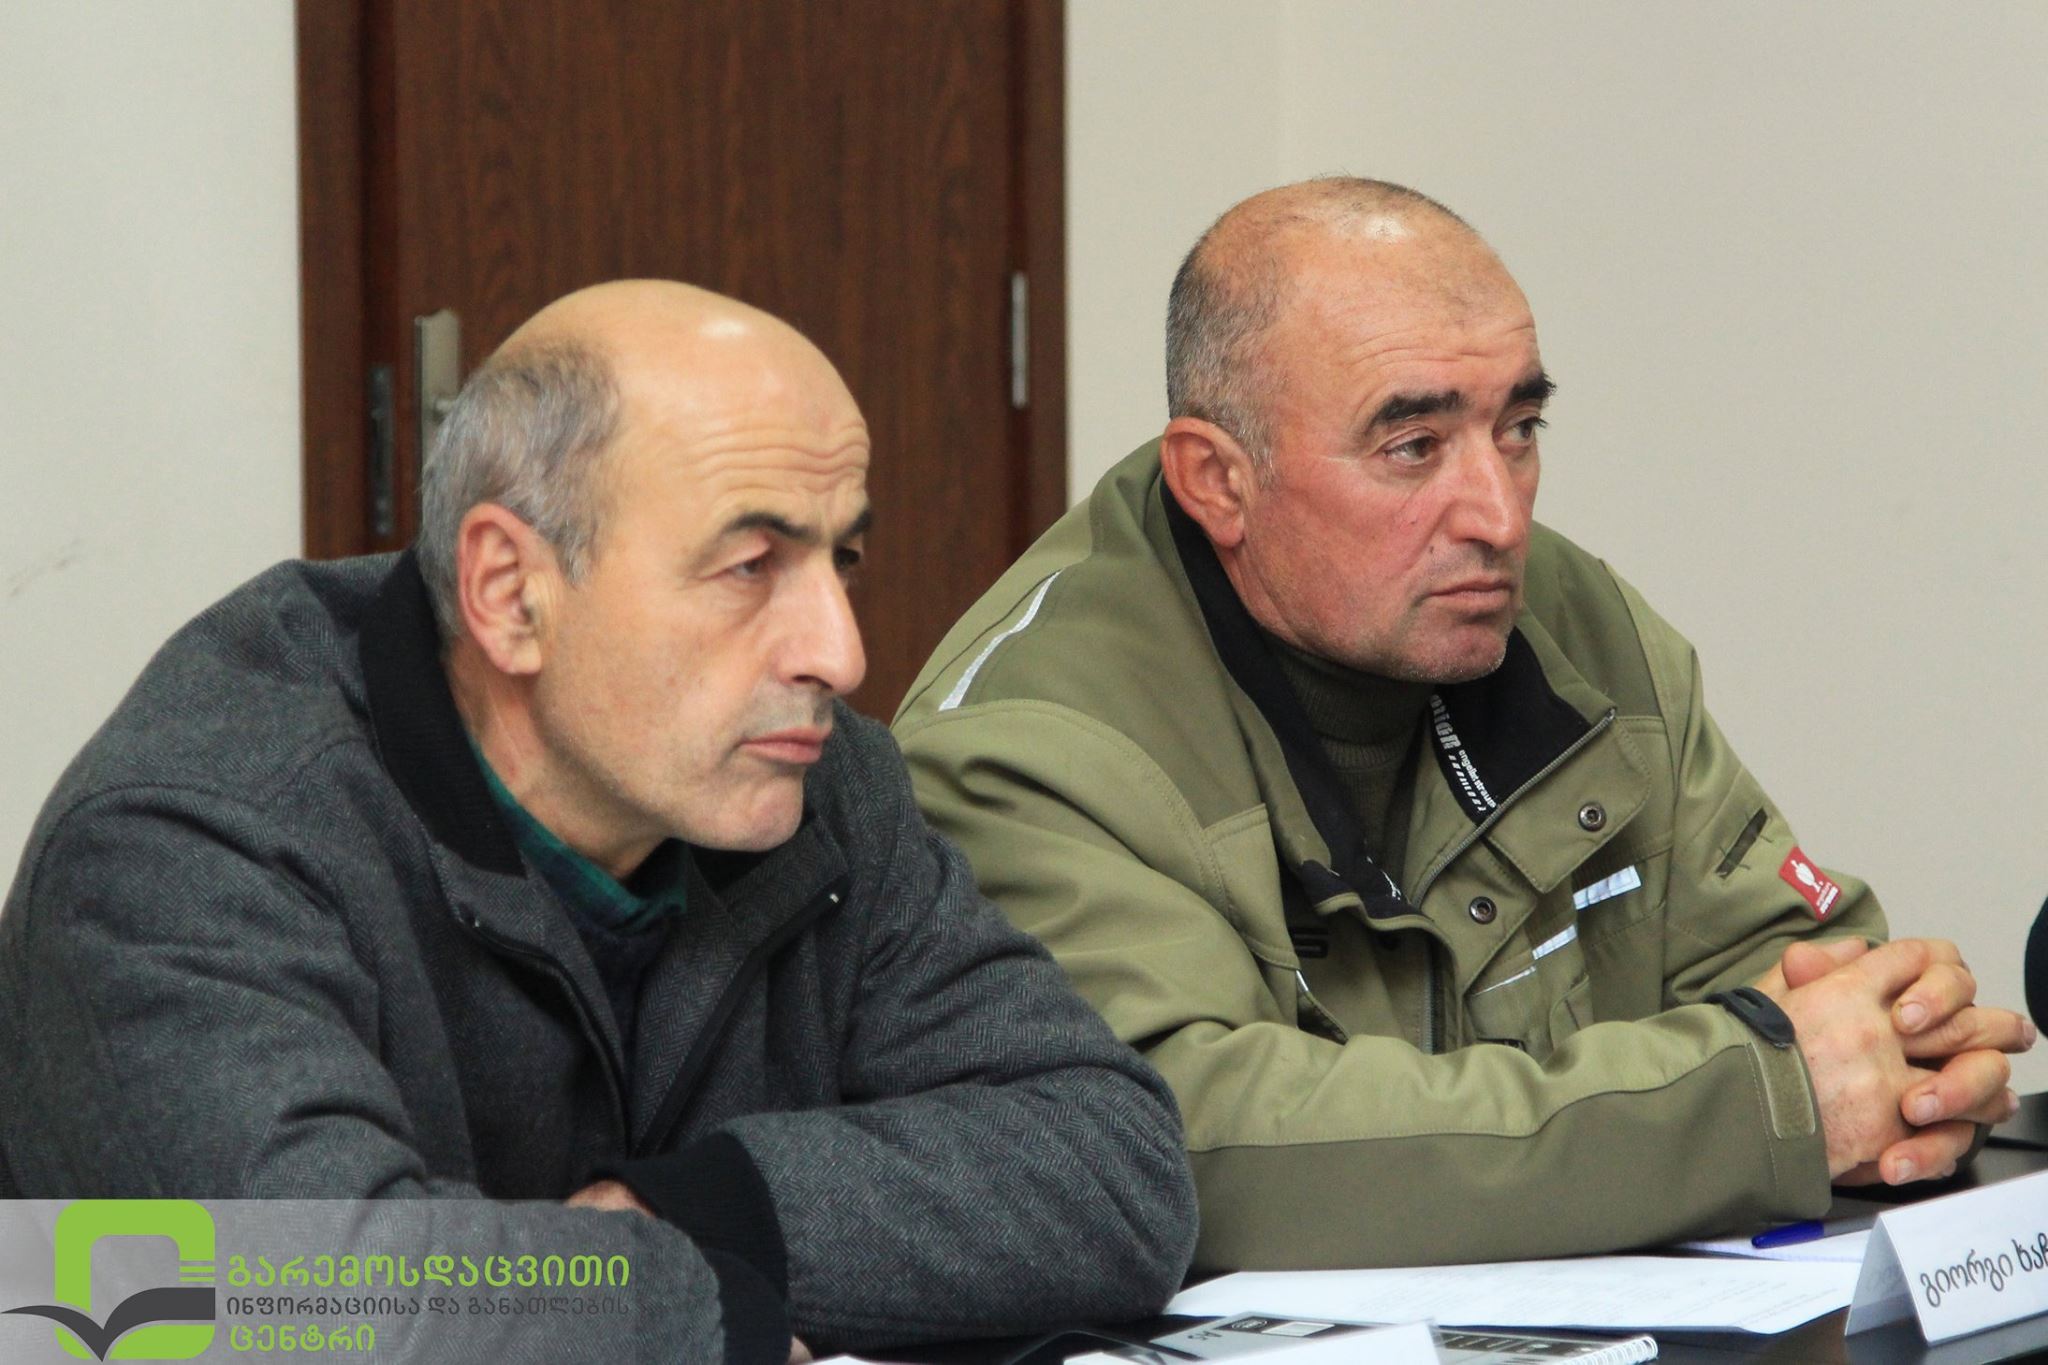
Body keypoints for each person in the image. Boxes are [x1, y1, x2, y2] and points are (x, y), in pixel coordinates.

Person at [0, 281, 1197, 1360]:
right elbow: (308, 1301)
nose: (838, 654)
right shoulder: (189, 839)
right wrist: (703, 1312)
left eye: (841, 560)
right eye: (749, 567)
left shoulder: (821, 786)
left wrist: (694, 1207)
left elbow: (1113, 1169)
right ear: (509, 594)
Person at [893, 180, 2032, 1270]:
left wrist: (1906, 1053)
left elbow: (1813, 986)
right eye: (1413, 447)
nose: (1498, 515)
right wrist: (1750, 1107)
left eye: (1519, 427)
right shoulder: (1025, 743)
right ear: (1217, 482)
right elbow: (1173, 1141)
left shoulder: (1564, 620)